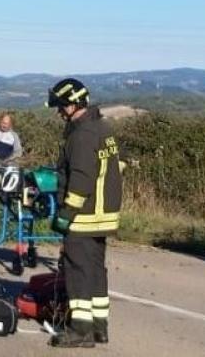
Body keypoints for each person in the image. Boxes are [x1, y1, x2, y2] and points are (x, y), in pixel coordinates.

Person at [48, 77, 122, 348]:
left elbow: (80, 178)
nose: (59, 111)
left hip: (84, 217)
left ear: (72, 104)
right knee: (95, 271)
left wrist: (66, 214)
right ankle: (100, 327)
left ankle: (80, 331)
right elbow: (119, 164)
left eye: (61, 106)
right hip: (103, 216)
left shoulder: (81, 135)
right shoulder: (103, 128)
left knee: (77, 272)